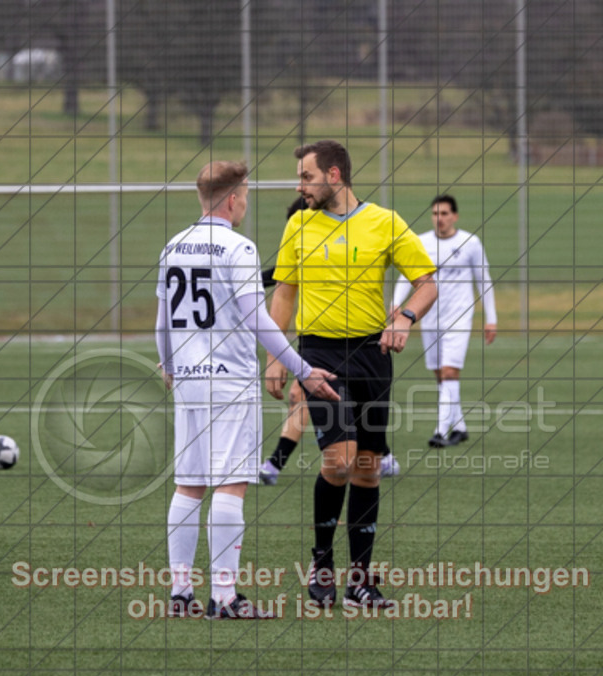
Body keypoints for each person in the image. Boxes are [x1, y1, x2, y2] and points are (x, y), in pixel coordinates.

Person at [156, 160, 340, 620]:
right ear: (234, 198)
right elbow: (259, 320)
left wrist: (169, 363)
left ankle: (180, 593)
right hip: (231, 380)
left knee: (189, 484)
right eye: (246, 197)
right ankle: (224, 596)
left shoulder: (173, 246)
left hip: (189, 380)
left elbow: (162, 321)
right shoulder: (238, 248)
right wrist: (304, 368)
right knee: (230, 484)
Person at [265, 140, 437, 608]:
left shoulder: (386, 221)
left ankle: (360, 582)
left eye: (306, 177)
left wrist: (404, 318)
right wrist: (277, 356)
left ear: (335, 175)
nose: (300, 186)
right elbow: (284, 291)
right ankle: (322, 563)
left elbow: (427, 283)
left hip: (372, 356)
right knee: (339, 462)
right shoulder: (298, 224)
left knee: (366, 470)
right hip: (318, 354)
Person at [259, 196, 398, 485]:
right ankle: (276, 464)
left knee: (309, 398)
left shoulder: (340, 248)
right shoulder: (303, 249)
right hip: (315, 346)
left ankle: (276, 463)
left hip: (349, 346)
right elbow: (278, 279)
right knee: (304, 398)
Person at [392, 194, 497, 448]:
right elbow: (408, 276)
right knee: (440, 374)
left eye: (445, 214)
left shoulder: (470, 243)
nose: (440, 219)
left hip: (459, 317)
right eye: (436, 214)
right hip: (430, 317)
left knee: (450, 371)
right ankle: (459, 427)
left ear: (455, 216)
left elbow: (484, 280)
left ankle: (440, 431)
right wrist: (396, 304)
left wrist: (491, 318)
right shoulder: (422, 242)